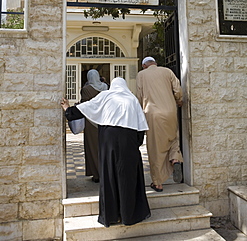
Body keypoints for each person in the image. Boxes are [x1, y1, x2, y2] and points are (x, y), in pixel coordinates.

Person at [61, 77, 151, 228]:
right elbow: (140, 129)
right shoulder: (132, 99)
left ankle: (111, 215)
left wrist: (68, 109)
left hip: (108, 140)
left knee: (109, 175)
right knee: (127, 176)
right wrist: (134, 146)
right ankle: (129, 215)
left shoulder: (105, 96)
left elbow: (85, 108)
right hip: (128, 141)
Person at [136, 56, 183, 192]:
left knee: (155, 148)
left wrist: (138, 113)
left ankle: (157, 183)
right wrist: (179, 100)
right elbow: (177, 89)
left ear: (144, 65)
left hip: (153, 114)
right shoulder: (167, 71)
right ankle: (175, 158)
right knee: (173, 137)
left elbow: (139, 95)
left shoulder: (142, 75)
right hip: (170, 111)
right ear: (155, 63)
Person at [80, 69, 108, 183]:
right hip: (105, 120)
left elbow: (84, 104)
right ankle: (106, 173)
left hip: (91, 121)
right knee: (105, 147)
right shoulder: (106, 87)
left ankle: (97, 175)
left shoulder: (86, 89)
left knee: (93, 147)